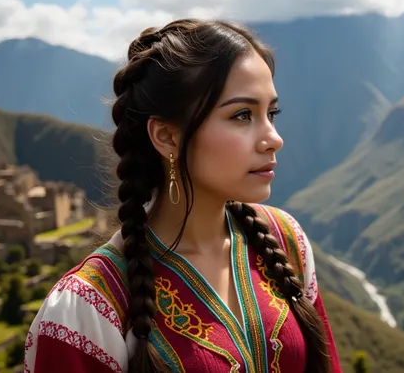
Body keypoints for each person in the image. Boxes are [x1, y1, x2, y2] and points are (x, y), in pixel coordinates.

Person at [23, 19, 342, 373]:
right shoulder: (86, 311)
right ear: (167, 137)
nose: (273, 138)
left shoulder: (285, 240)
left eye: (271, 113)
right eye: (242, 115)